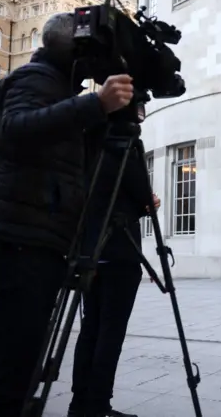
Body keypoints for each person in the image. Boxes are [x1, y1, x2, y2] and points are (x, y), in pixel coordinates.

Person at [0, 12, 134, 417]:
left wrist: (104, 116)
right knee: (13, 378)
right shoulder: (34, 79)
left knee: (22, 372)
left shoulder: (55, 87)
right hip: (20, 246)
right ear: (74, 48)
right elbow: (14, 130)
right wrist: (94, 104)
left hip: (34, 244)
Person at [66, 131, 161, 417]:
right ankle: (97, 404)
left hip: (89, 252)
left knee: (90, 331)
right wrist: (147, 205)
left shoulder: (83, 146)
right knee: (109, 334)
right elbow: (141, 195)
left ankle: (79, 403)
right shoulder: (124, 147)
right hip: (120, 253)